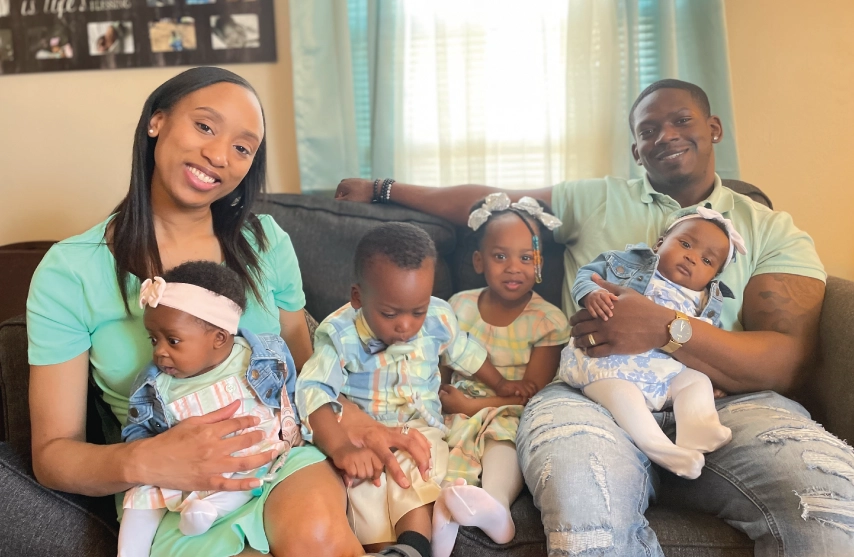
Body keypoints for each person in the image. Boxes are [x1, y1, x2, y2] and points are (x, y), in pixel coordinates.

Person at [335, 79, 854, 555]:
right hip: (589, 395)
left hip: (726, 401)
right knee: (582, 497)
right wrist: (385, 189)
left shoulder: (769, 230)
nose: (665, 136)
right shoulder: (597, 199)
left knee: (826, 498)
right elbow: (492, 206)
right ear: (635, 149)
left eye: (681, 121)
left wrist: (665, 329)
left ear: (713, 128)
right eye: (648, 130)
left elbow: (787, 358)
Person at [23, 66, 426, 557]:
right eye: (205, 126)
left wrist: (359, 426)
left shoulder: (265, 242)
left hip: (279, 462)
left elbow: (306, 373)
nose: (218, 155)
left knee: (316, 535)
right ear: (157, 122)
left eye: (243, 147)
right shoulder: (71, 271)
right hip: (175, 495)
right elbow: (52, 454)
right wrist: (146, 461)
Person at [296, 222, 534, 557]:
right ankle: (387, 549)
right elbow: (312, 390)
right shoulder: (339, 335)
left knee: (415, 469)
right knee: (367, 484)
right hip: (362, 432)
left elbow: (464, 351)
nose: (406, 326)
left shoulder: (438, 316)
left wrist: (501, 384)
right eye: (390, 313)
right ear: (358, 297)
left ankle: (414, 547)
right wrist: (340, 448)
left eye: (417, 311)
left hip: (420, 427)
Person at [116, 261, 303, 557]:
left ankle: (207, 513)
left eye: (173, 340)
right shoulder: (155, 386)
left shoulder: (259, 356)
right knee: (141, 492)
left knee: (248, 475)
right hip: (185, 469)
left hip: (255, 456)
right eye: (153, 339)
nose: (159, 351)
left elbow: (292, 391)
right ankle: (129, 551)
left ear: (219, 338)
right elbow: (139, 435)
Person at [560, 207, 743, 481]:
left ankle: (698, 428)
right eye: (685, 244)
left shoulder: (706, 301)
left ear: (713, 277)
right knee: (625, 398)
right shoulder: (629, 264)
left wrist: (715, 380)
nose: (692, 258)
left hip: (661, 369)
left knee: (696, 381)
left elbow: (704, 347)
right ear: (659, 244)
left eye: (707, 260)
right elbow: (588, 274)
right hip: (608, 361)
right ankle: (661, 450)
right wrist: (592, 293)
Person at [432, 193, 569, 557]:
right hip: (457, 405)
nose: (513, 267)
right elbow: (440, 369)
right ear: (479, 261)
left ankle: (495, 504)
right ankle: (442, 508)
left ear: (540, 264)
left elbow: (533, 393)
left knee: (501, 437)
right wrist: (445, 400)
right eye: (500, 256)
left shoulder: (547, 319)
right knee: (437, 439)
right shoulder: (458, 307)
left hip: (510, 407)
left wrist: (475, 403)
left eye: (526, 258)